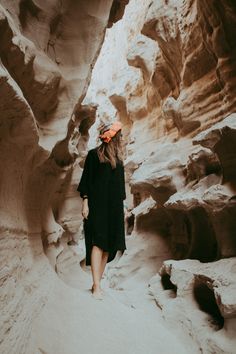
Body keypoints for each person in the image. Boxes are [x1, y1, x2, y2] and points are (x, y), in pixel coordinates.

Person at [77, 120, 127, 300]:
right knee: (98, 242)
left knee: (109, 247)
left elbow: (121, 189)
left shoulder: (120, 161)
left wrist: (123, 209)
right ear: (112, 137)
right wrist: (85, 202)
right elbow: (87, 182)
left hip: (114, 208)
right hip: (97, 206)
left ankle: (97, 282)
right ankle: (96, 286)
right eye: (118, 135)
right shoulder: (93, 155)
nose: (120, 138)